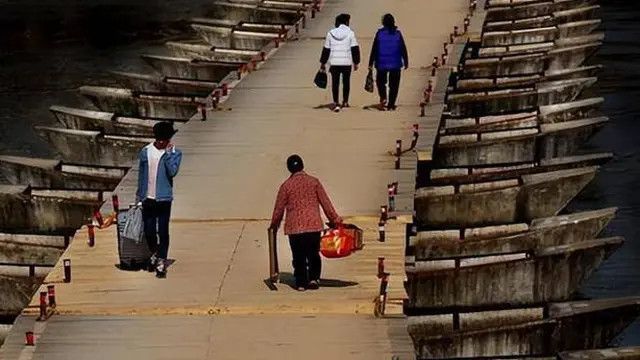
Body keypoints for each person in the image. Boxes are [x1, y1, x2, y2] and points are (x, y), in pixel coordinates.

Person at [270, 155, 342, 291]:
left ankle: (301, 282)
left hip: (295, 227)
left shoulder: (286, 186)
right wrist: (335, 219)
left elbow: (278, 208)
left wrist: (274, 224)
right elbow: (325, 202)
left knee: (298, 255)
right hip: (313, 225)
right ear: (302, 165)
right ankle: (314, 278)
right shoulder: (314, 182)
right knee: (313, 253)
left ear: (289, 168)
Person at [136, 121, 182, 278]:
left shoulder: (175, 153)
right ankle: (154, 253)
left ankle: (161, 259)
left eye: (165, 139)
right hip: (147, 197)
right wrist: (139, 196)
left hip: (164, 198)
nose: (163, 142)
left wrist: (169, 155)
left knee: (163, 230)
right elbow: (141, 175)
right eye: (160, 139)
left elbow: (173, 171)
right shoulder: (145, 152)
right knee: (149, 230)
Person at [320, 13, 361, 113]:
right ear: (346, 22)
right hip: (346, 62)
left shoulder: (330, 33)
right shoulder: (351, 33)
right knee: (346, 82)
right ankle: (345, 101)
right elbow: (355, 49)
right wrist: (356, 62)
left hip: (334, 62)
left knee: (335, 83)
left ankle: (336, 102)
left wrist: (323, 62)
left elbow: (326, 49)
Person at [368, 13, 409, 111]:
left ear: (383, 23)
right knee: (394, 85)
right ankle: (391, 104)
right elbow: (403, 48)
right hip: (395, 63)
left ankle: (383, 97)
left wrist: (370, 63)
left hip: (381, 62)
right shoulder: (398, 34)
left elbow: (374, 48)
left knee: (380, 82)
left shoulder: (379, 33)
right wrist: (406, 61)